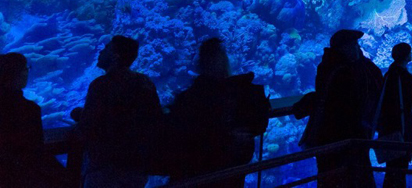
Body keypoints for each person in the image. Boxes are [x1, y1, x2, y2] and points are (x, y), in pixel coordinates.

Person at [166, 38, 270, 187]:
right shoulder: (238, 93)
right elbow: (256, 127)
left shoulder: (188, 98)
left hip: (196, 174)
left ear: (200, 64)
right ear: (224, 62)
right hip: (231, 173)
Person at [297, 29, 383, 188]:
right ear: (344, 47)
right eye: (354, 44)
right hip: (341, 136)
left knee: (332, 176)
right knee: (344, 175)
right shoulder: (343, 71)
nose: (358, 48)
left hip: (336, 136)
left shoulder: (332, 66)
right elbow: (347, 104)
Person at [78, 35, 162, 188]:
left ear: (115, 57)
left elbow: (88, 125)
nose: (101, 51)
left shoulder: (100, 85)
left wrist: (79, 115)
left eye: (106, 48)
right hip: (136, 167)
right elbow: (155, 120)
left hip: (105, 169)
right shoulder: (145, 82)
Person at [0, 53, 71, 188]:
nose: (27, 72)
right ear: (18, 73)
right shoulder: (28, 109)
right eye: (26, 68)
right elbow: (35, 151)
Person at [376, 42, 412, 188]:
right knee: (399, 167)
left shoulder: (390, 74)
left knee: (392, 168)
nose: (411, 54)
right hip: (400, 129)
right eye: (410, 51)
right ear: (407, 55)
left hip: (390, 128)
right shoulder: (402, 76)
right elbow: (408, 103)